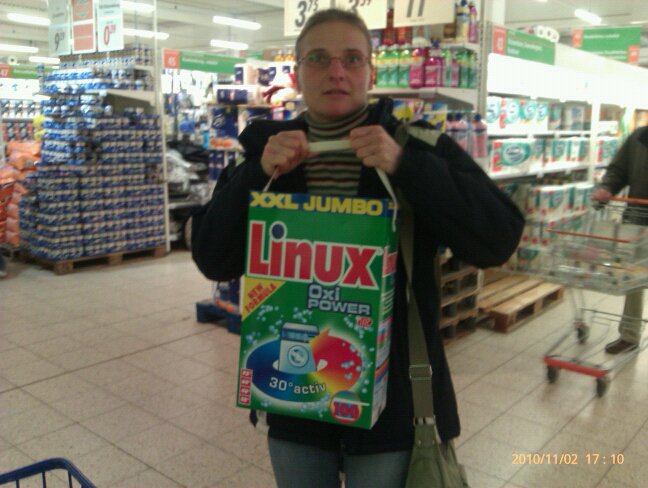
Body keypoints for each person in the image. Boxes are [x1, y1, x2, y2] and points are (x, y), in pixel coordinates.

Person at [192, 9, 524, 488]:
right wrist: (255, 176)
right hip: (293, 402)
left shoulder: (418, 147)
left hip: (394, 408)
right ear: (297, 73)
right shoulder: (264, 156)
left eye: (351, 58)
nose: (336, 72)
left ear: (370, 71)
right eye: (318, 58)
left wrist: (406, 166)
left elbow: (499, 238)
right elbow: (212, 258)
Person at [592, 125, 648, 354]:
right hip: (638, 218)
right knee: (634, 278)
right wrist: (607, 188)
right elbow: (619, 169)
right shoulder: (640, 137)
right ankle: (629, 335)